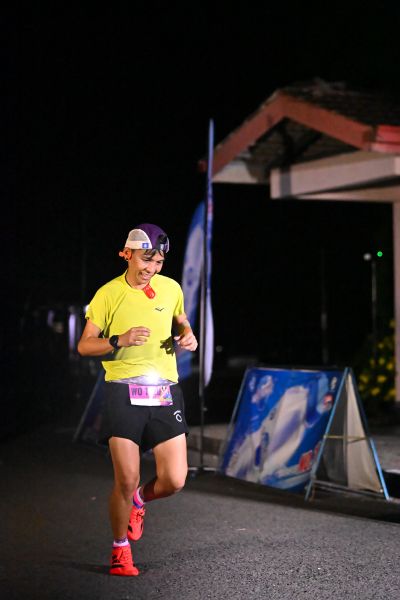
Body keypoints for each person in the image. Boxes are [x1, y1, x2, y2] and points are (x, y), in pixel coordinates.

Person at [77, 223, 198, 576]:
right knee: (126, 478)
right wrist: (119, 339)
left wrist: (187, 335)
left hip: (164, 390)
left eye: (158, 262)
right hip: (122, 390)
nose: (151, 269)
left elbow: (182, 320)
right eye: (146, 260)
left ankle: (140, 500)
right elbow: (84, 345)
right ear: (127, 254)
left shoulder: (171, 288)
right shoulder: (108, 294)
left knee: (174, 480)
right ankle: (120, 549)